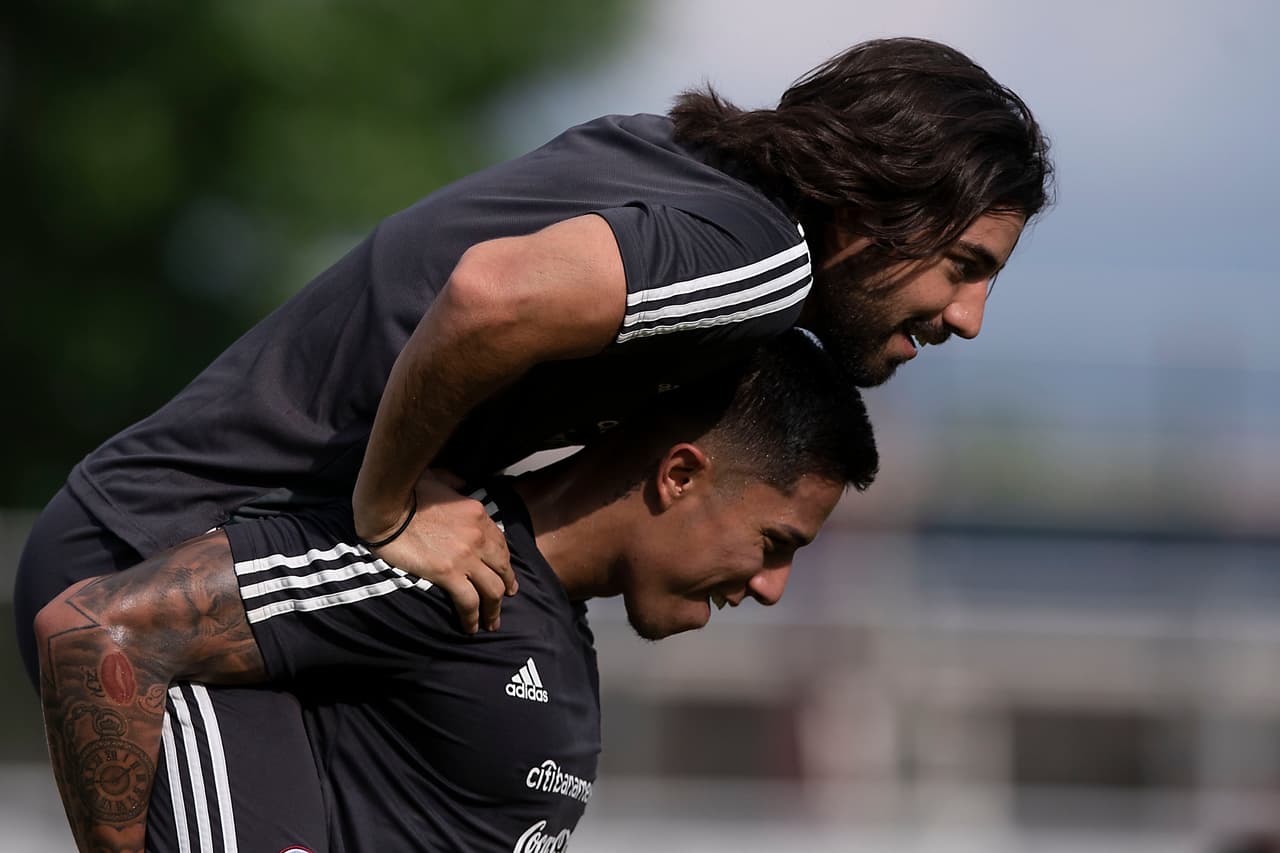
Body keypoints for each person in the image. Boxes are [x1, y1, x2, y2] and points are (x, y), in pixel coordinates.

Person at [16, 36, 1052, 686]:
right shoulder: (760, 261)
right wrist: (392, 504)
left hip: (188, 564)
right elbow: (490, 295)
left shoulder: (669, 162)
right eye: (963, 265)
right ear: (875, 205)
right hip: (148, 569)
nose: (966, 317)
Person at [36, 331, 879, 852]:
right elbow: (101, 630)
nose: (772, 587)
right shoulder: (442, 562)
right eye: (775, 544)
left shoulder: (562, 636)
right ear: (681, 474)